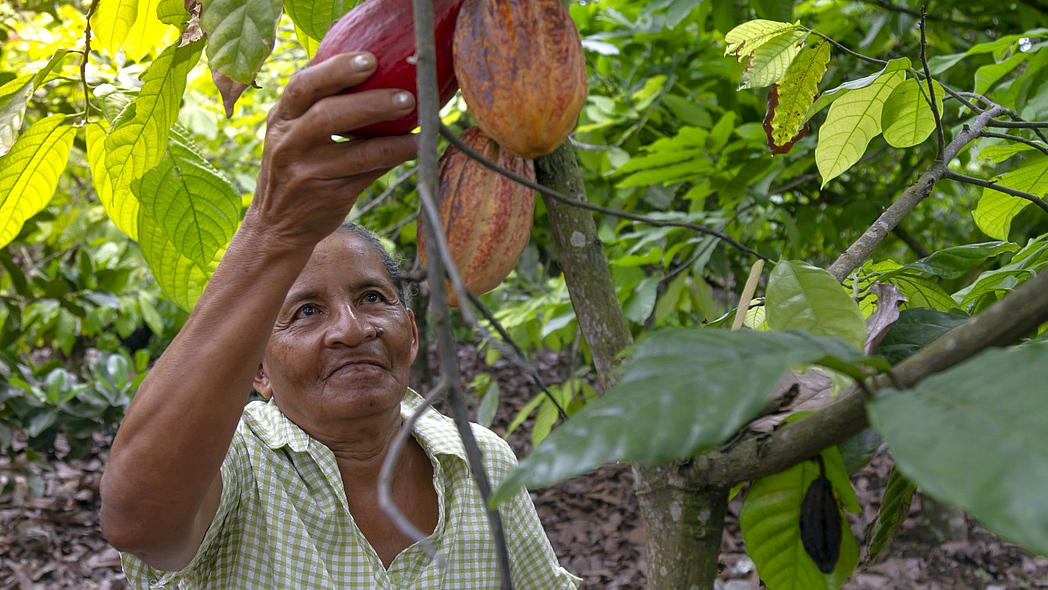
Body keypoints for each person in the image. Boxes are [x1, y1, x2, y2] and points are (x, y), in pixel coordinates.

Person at [99, 51, 581, 589]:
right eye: (306, 312)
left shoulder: (481, 462)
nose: (352, 330)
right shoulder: (236, 465)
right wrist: (271, 228)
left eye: (373, 298)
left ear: (413, 331)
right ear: (256, 371)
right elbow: (139, 522)